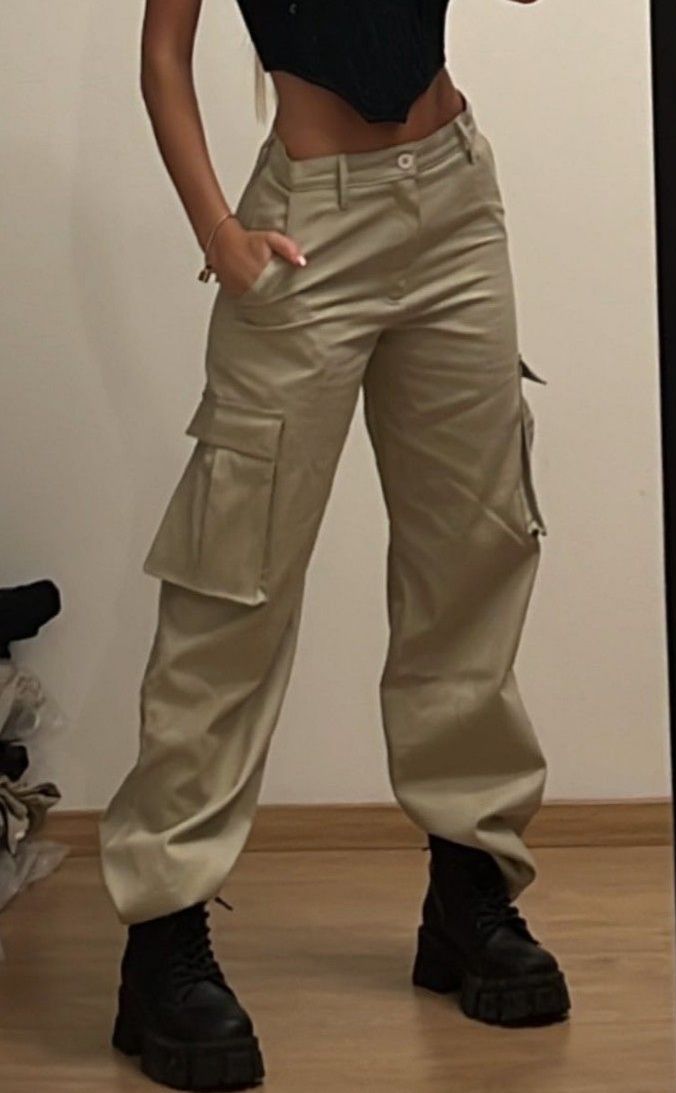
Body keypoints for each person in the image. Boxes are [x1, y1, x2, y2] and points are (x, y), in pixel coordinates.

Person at [98, 1, 571, 1089]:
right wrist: (217, 229)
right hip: (307, 222)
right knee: (235, 577)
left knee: (473, 555)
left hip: (455, 203)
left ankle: (468, 887)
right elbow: (163, 53)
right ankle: (162, 936)